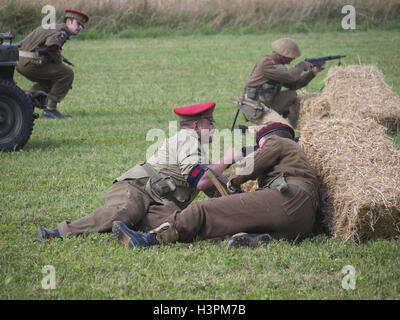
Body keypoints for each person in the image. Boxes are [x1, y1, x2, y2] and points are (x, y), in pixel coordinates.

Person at [36, 102, 242, 239]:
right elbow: (202, 181)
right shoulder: (187, 138)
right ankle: (58, 232)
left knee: (178, 221)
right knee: (127, 213)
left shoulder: (197, 149)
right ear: (197, 125)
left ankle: (133, 235)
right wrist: (226, 159)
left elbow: (213, 187)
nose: (214, 128)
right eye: (210, 123)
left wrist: (237, 193)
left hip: (157, 201)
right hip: (136, 189)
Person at [111, 122, 321, 249]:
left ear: (266, 140)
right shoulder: (295, 158)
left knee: (205, 210)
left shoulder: (279, 142)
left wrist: (232, 182)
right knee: (239, 226)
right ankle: (257, 241)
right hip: (301, 223)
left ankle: (151, 239)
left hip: (288, 200)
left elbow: (249, 167)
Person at [16, 9, 89, 119]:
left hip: (20, 60)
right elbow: (51, 47)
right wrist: (58, 59)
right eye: (78, 24)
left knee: (51, 81)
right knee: (67, 74)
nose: (80, 28)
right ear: (69, 21)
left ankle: (25, 100)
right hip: (29, 62)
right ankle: (50, 109)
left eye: (82, 26)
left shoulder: (56, 27)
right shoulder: (61, 32)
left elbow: (44, 48)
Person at [243, 38, 325, 128]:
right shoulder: (266, 63)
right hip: (255, 107)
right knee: (285, 128)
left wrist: (313, 72)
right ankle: (250, 129)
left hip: (266, 103)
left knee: (292, 94)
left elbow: (293, 84)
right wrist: (301, 66)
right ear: (282, 56)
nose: (293, 58)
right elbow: (289, 76)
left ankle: (275, 119)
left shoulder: (278, 65)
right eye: (291, 56)